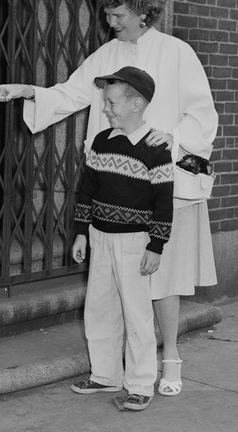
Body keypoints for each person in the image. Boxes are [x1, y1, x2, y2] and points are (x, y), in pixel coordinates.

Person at [0, 0, 219, 396]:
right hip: (114, 190)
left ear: (143, 12)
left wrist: (174, 138)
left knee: (162, 282)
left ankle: (168, 363)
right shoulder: (107, 54)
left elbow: (203, 113)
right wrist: (28, 92)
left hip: (162, 183)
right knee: (110, 289)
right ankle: (111, 371)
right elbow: (72, 93)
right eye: (108, 14)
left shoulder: (177, 53)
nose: (112, 22)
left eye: (119, 14)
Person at [69, 67, 173, 411]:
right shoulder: (102, 142)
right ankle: (105, 374)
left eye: (112, 102)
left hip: (134, 242)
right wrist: (82, 232)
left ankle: (141, 383)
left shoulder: (156, 150)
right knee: (98, 307)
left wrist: (156, 245)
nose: (106, 109)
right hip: (100, 236)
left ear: (137, 104)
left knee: (136, 313)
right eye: (106, 102)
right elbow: (87, 189)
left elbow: (163, 203)